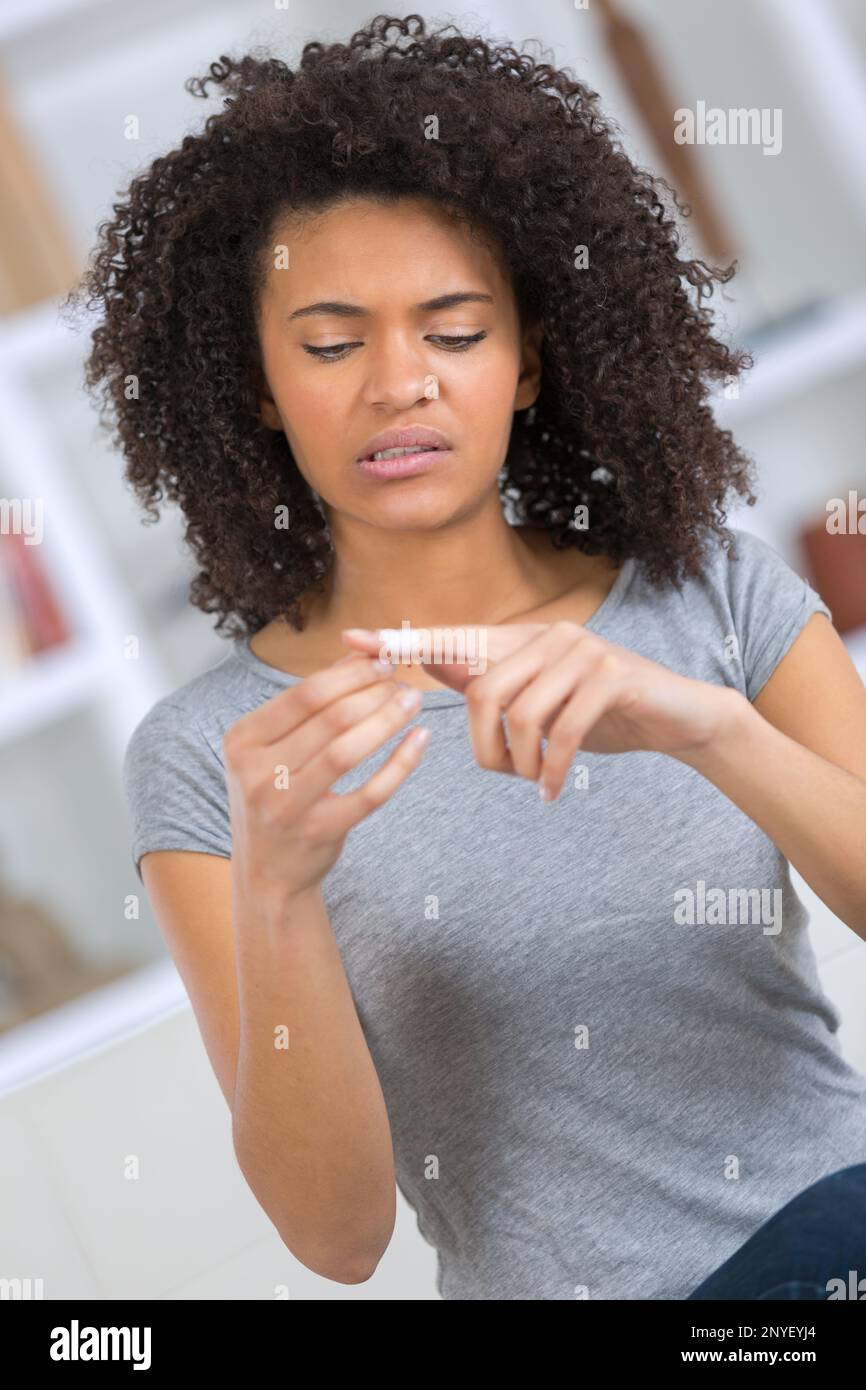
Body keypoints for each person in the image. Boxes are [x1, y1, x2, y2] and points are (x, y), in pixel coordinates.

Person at [67, 14, 866, 1300]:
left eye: (453, 329)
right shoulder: (212, 757)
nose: (399, 383)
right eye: (331, 344)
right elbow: (336, 1241)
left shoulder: (704, 592)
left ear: (530, 359)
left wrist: (709, 727)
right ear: (255, 386)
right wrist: (275, 890)